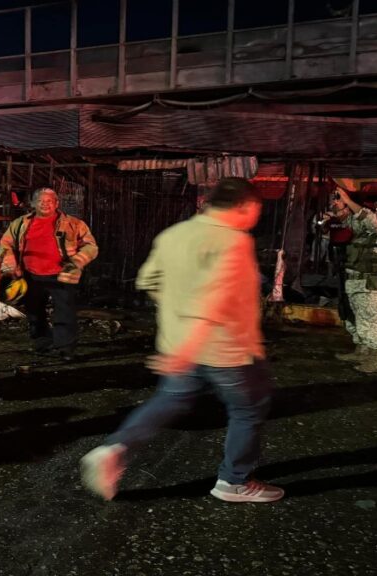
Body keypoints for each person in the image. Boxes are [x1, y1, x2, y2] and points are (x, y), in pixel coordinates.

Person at [80, 178, 282, 504]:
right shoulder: (233, 241)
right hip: (224, 349)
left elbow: (149, 280)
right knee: (249, 408)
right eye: (257, 208)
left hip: (177, 344)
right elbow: (215, 299)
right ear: (245, 206)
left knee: (170, 400)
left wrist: (179, 322)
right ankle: (234, 480)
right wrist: (192, 342)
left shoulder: (173, 235)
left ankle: (114, 449)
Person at [0, 187, 98, 361]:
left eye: (49, 201)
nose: (45, 204)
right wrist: (11, 267)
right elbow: (5, 244)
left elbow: (91, 246)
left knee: (64, 313)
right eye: (41, 201)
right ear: (34, 203)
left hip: (62, 275)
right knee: (35, 312)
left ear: (56, 203)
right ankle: (42, 344)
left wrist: (77, 262)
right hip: (31, 275)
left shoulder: (74, 224)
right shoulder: (21, 224)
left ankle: (65, 349)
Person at [332, 188, 377, 373]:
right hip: (357, 280)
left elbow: (371, 221)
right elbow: (351, 222)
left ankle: (376, 360)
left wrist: (348, 200)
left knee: (372, 320)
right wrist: (340, 208)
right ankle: (361, 351)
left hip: (373, 283)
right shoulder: (371, 231)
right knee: (355, 318)